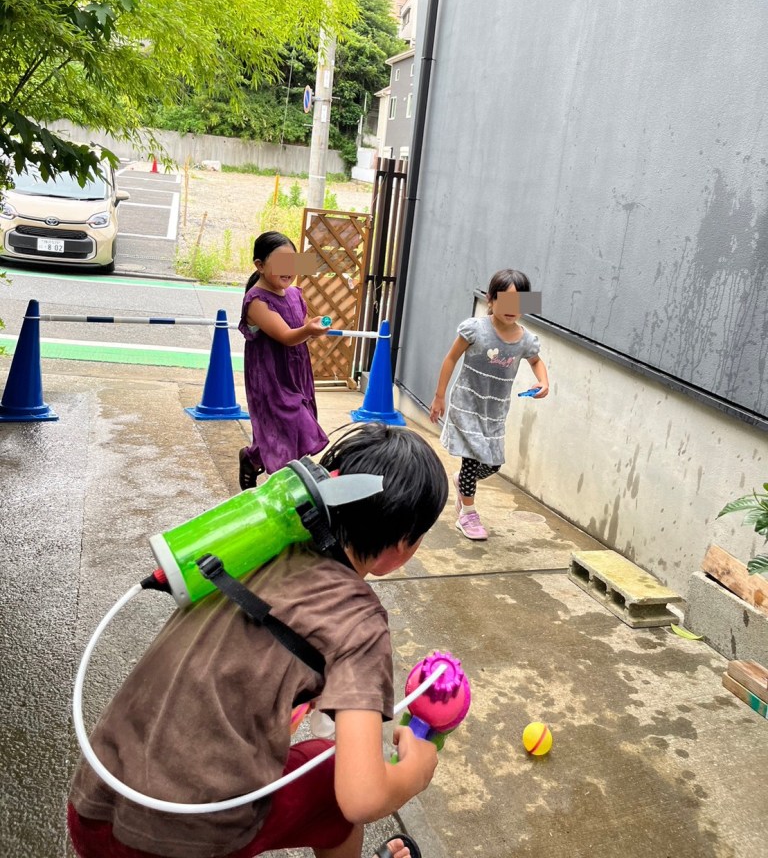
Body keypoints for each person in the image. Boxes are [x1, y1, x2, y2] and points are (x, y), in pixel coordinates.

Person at [68, 423, 449, 858]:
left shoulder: (254, 553)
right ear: (403, 545)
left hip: (92, 809)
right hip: (176, 845)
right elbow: (362, 796)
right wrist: (415, 771)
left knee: (314, 755)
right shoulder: (359, 622)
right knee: (332, 777)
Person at [429, 268, 549, 541]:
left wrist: (543, 382)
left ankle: (463, 481)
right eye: (505, 301)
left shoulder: (525, 340)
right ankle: (467, 514)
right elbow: (450, 358)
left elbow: (536, 361)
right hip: (467, 405)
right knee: (472, 459)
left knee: (493, 464)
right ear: (491, 300)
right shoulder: (475, 329)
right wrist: (439, 396)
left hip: (494, 412)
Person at [238, 231, 329, 490]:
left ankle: (252, 458)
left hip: (296, 373)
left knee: (282, 431)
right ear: (260, 265)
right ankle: (288, 489)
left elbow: (300, 326)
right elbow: (287, 336)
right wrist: (308, 330)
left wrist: (312, 328)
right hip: (271, 379)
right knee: (294, 427)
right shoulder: (257, 301)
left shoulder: (294, 294)